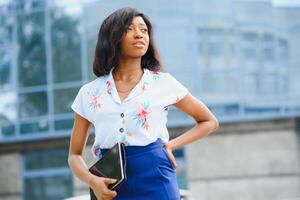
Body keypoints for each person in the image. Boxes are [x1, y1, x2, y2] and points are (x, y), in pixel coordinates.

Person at [68, 7, 219, 200]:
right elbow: (74, 155)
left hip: (156, 174)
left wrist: (170, 146)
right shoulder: (89, 93)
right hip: (110, 182)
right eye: (130, 29)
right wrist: (92, 181)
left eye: (144, 30)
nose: (139, 34)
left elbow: (209, 121)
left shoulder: (163, 83)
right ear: (112, 36)